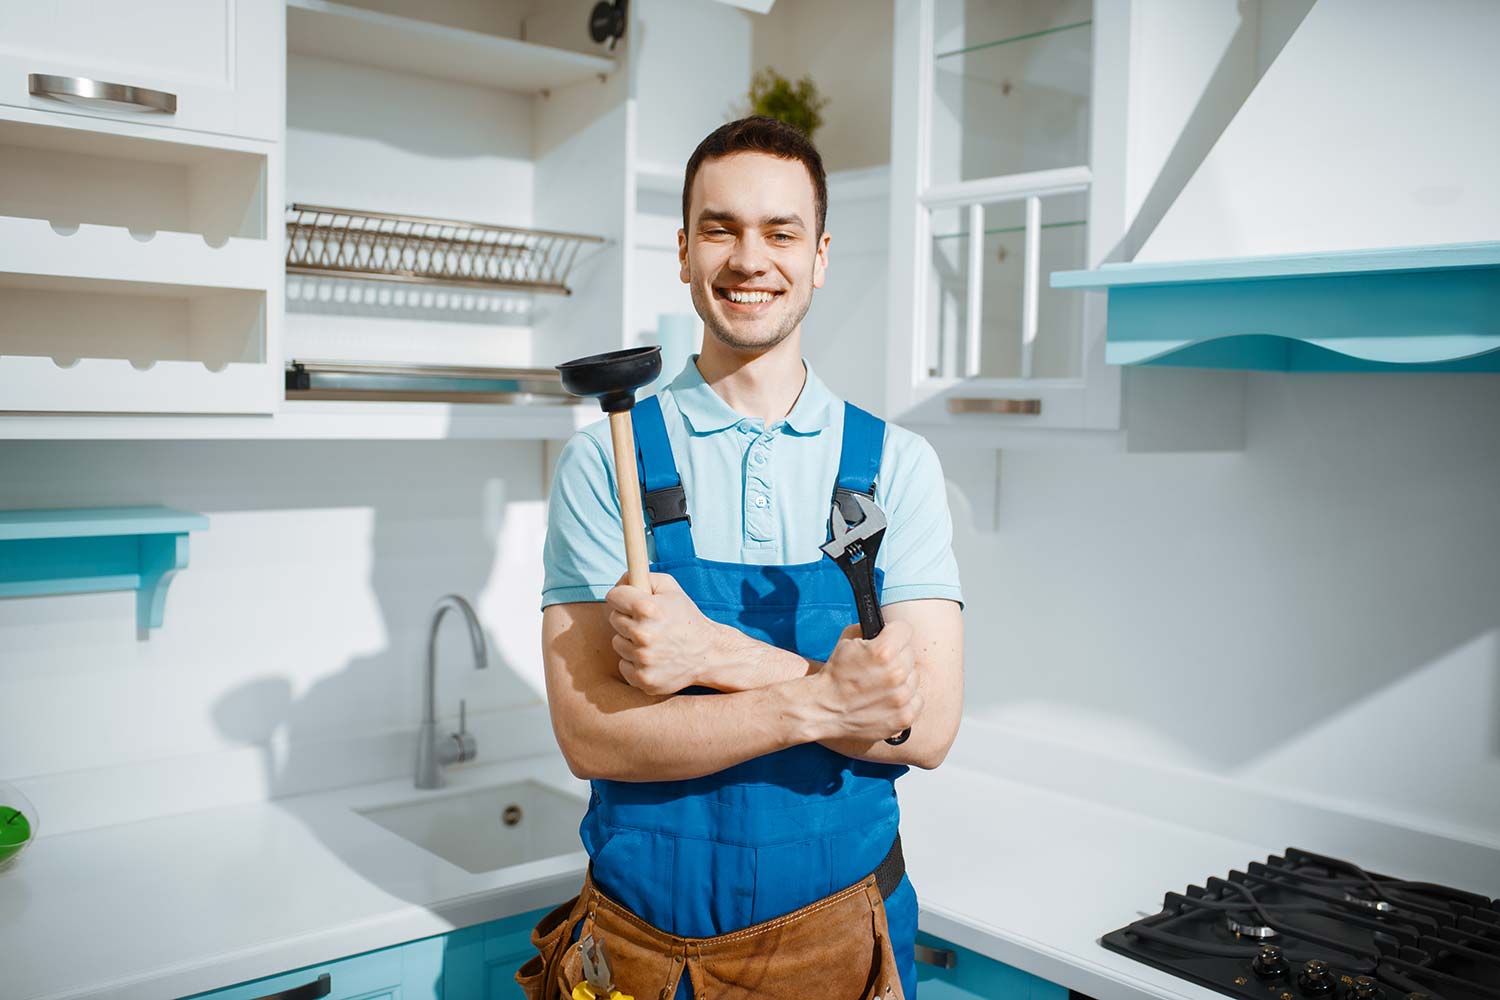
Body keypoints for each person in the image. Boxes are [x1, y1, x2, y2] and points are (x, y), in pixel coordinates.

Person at [531, 116, 964, 1000]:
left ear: (820, 254)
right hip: (643, 951)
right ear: (684, 250)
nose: (748, 258)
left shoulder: (894, 467)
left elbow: (924, 732)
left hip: (848, 945)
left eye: (781, 231)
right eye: (720, 228)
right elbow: (591, 736)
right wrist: (822, 703)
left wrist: (714, 657)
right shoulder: (605, 456)